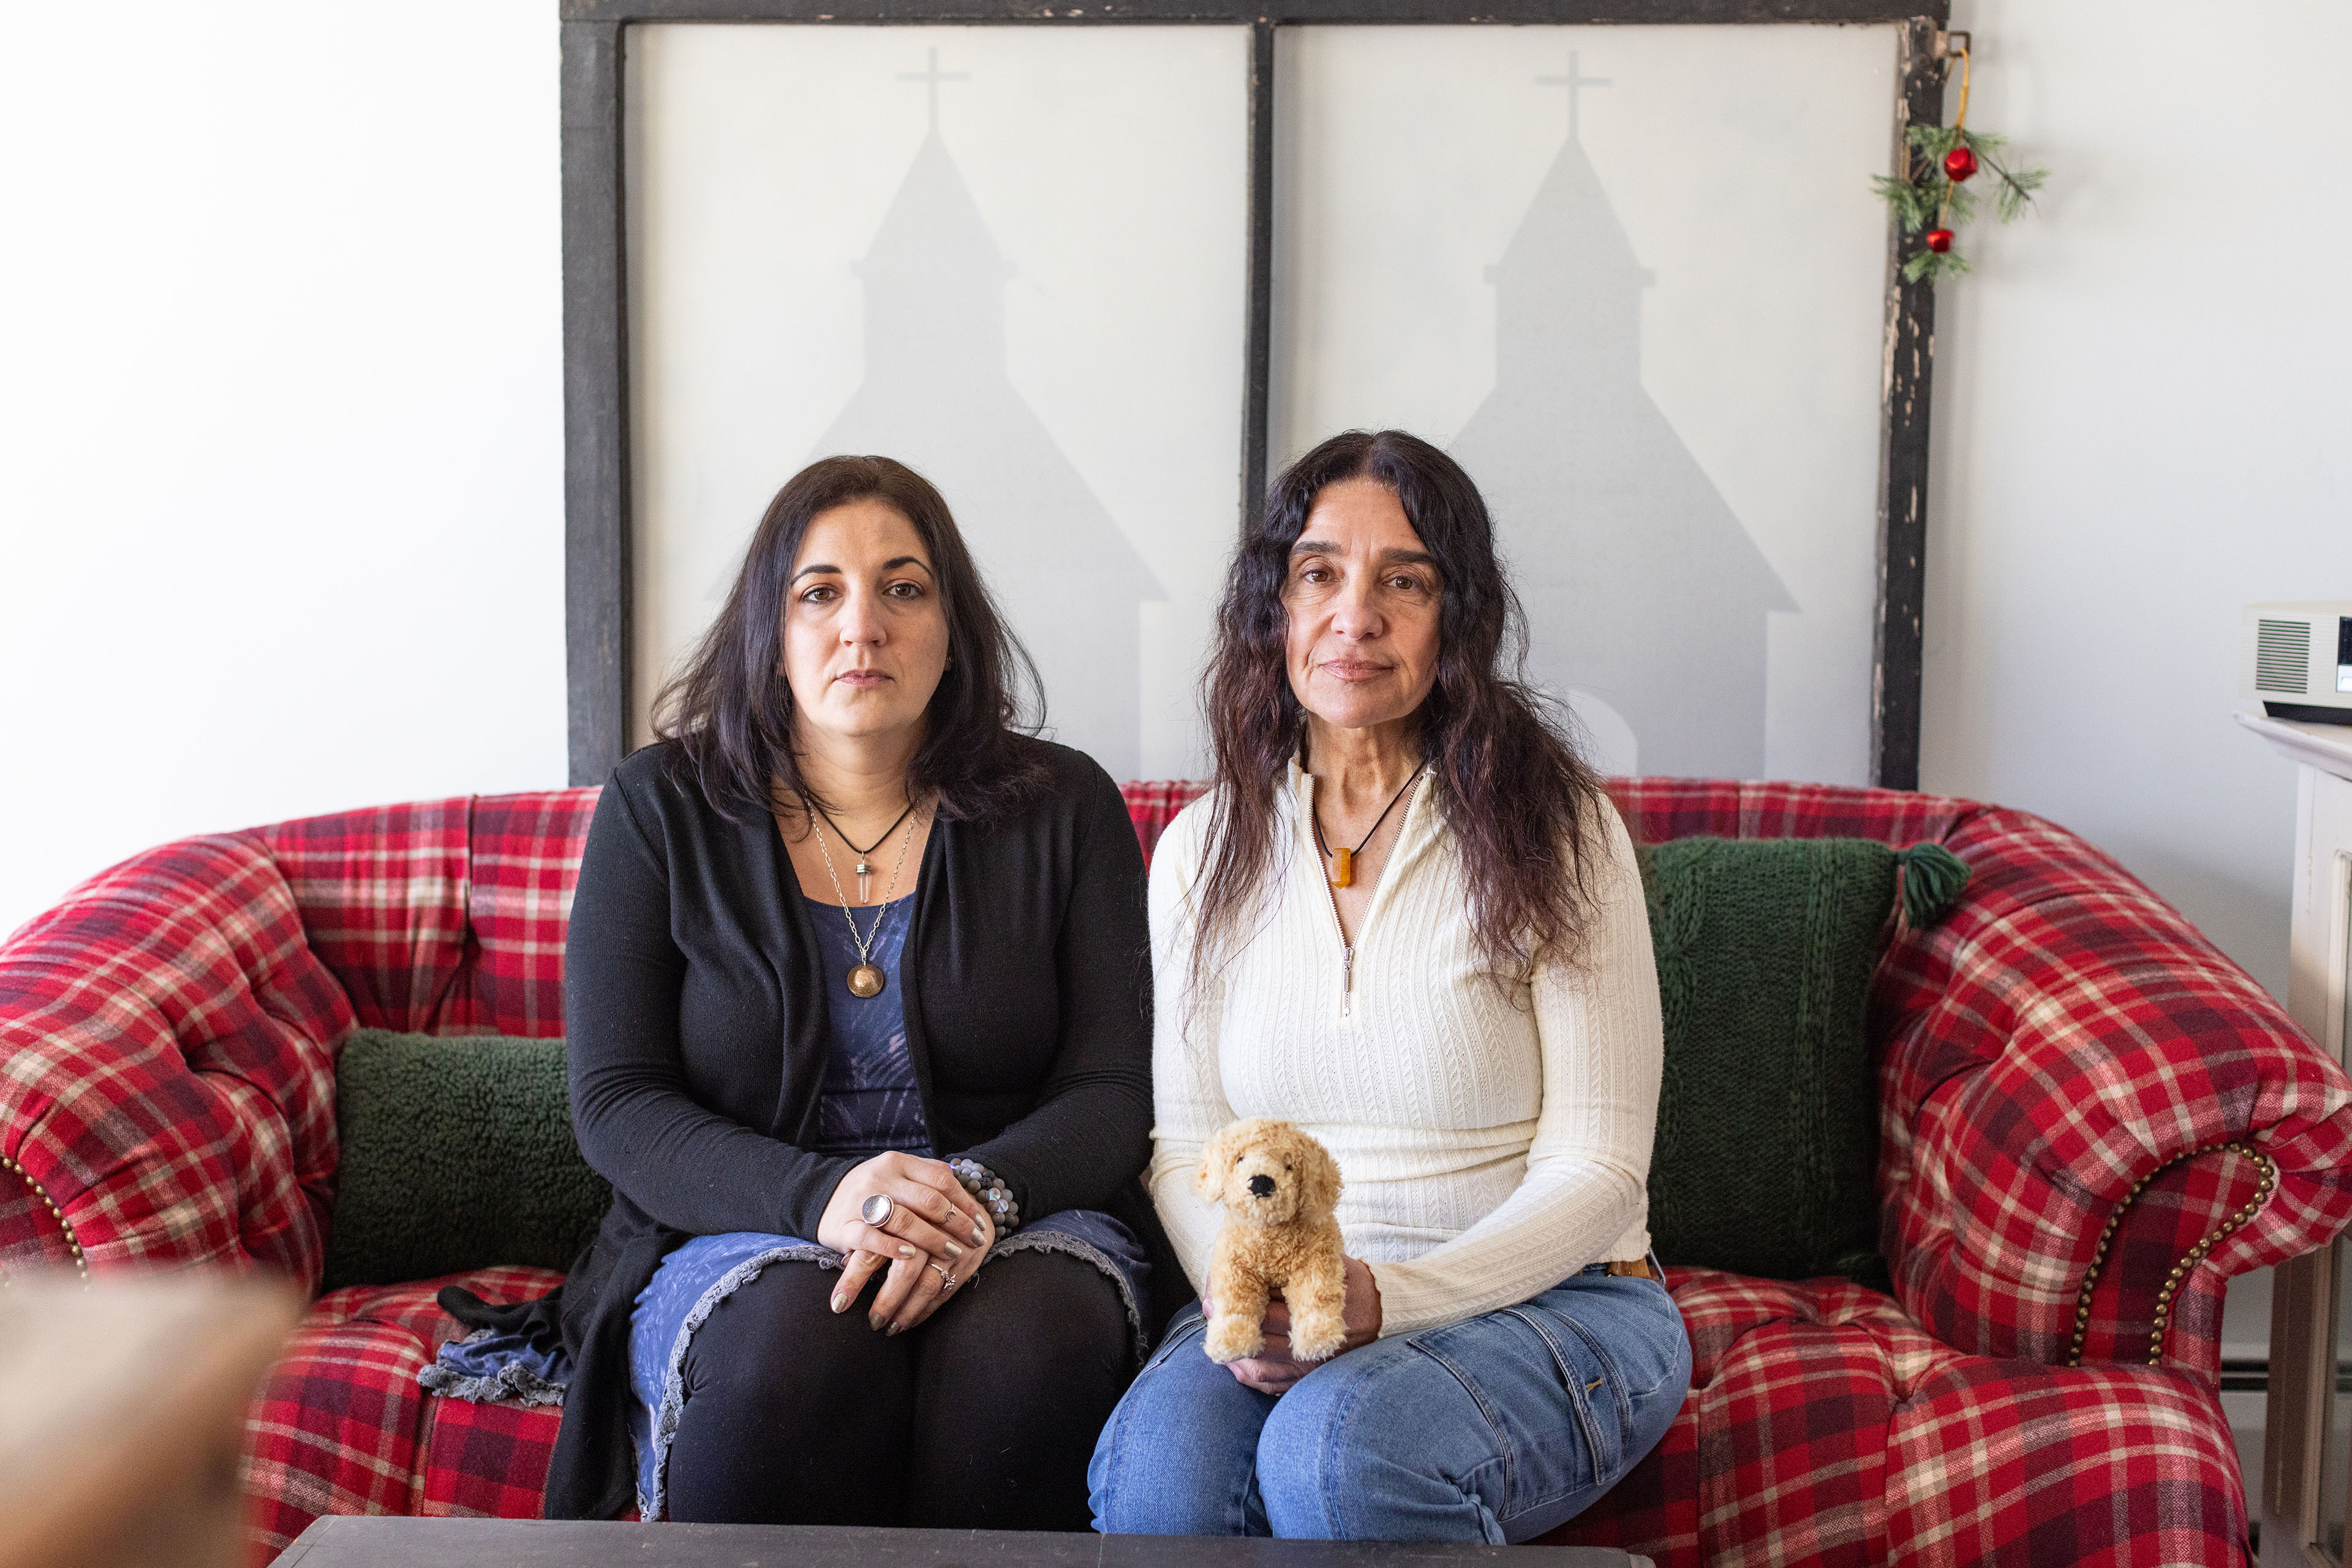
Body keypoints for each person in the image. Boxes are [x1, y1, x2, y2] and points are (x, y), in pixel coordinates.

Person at [526, 455, 1177, 1528]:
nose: (861, 626)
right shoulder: (660, 809)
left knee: (1029, 1347)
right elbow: (619, 1102)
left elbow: (1113, 1089)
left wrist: (972, 1200)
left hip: (1016, 1216)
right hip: (746, 1226)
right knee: (796, 1346)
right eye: (819, 592)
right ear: (767, 632)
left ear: (953, 626)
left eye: (904, 587)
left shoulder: (1066, 807)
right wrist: (825, 1201)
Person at [1088, 430, 1691, 1543]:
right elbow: (1186, 1148)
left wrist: (1393, 1303)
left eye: (1402, 582)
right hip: (1286, 1295)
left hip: (1557, 1296)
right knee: (1158, 1488)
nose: (1353, 617)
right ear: (1274, 606)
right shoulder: (1199, 849)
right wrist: (1251, 1301)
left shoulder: (1554, 827)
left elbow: (1602, 1168)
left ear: (1455, 617)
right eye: (1318, 574)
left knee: (1341, 1454)